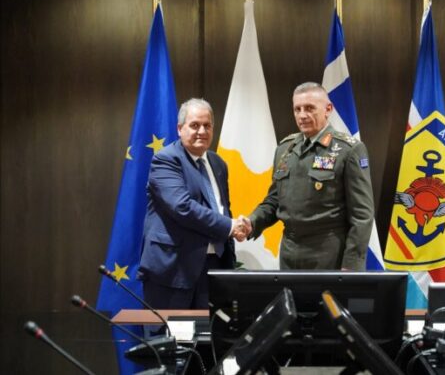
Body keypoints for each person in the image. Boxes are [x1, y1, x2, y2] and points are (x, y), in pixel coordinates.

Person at [243, 82, 374, 270]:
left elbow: (362, 216)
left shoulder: (349, 150)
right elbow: (275, 201)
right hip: (289, 254)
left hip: (329, 254)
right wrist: (252, 222)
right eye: (297, 109)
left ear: (328, 109)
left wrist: (351, 265)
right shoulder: (284, 149)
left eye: (309, 108)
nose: (302, 115)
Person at [137, 98, 248, 309]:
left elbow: (222, 208)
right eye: (195, 125)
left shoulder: (218, 163)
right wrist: (230, 226)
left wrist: (237, 227)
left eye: (207, 125)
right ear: (180, 129)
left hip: (215, 268)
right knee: (170, 330)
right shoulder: (166, 160)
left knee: (209, 330)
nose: (202, 131)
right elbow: (183, 207)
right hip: (173, 270)